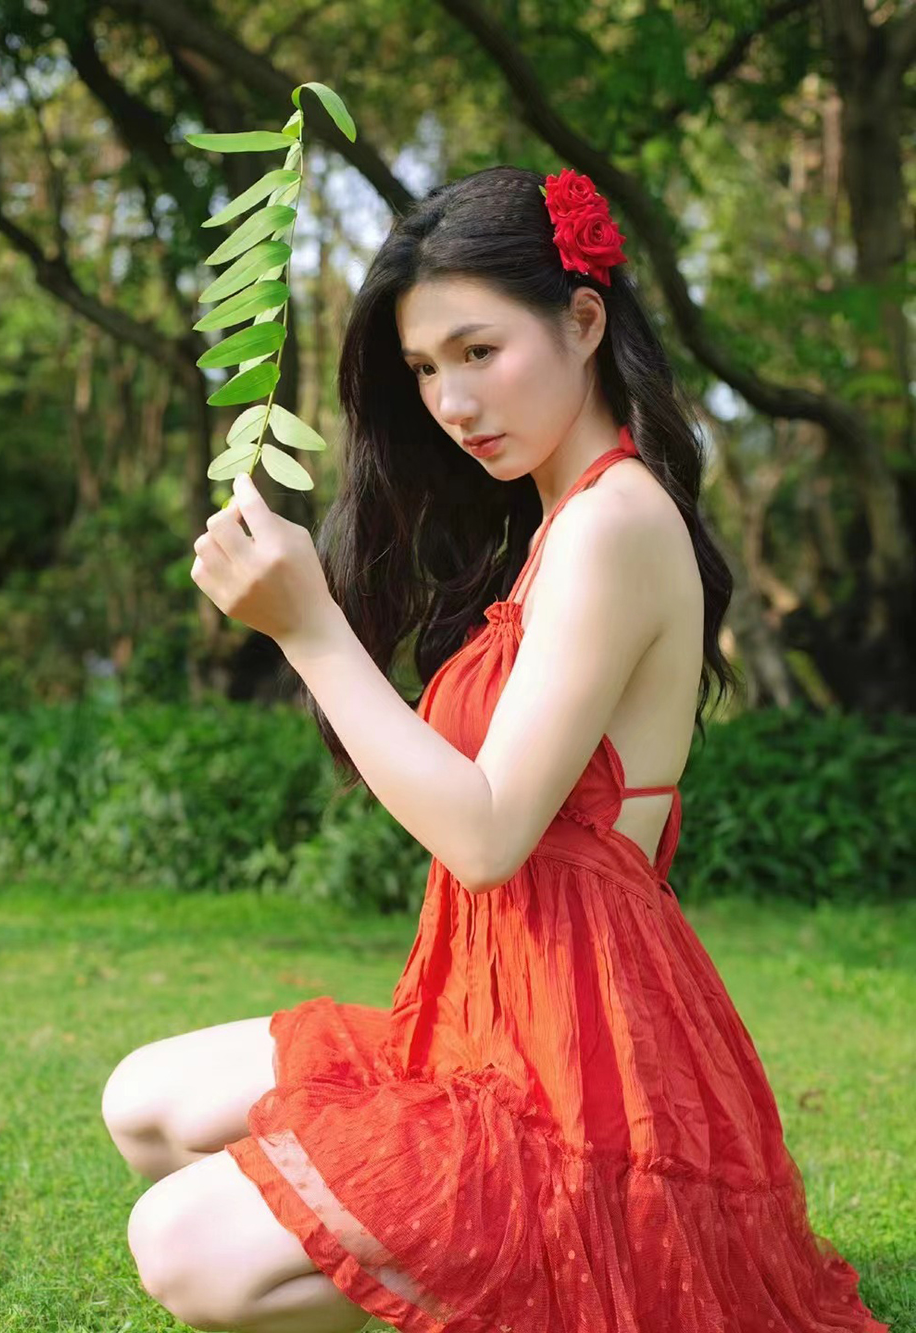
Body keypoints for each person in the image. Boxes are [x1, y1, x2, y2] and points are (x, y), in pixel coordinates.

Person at [102, 166, 890, 1332]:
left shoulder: (616, 520)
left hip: (583, 1070)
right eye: (425, 368)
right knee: (143, 1105)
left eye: (478, 351)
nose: (452, 401)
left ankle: (561, 1249)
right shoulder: (551, 526)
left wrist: (308, 630)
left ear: (584, 320)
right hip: (478, 1025)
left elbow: (484, 835)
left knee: (182, 1250)